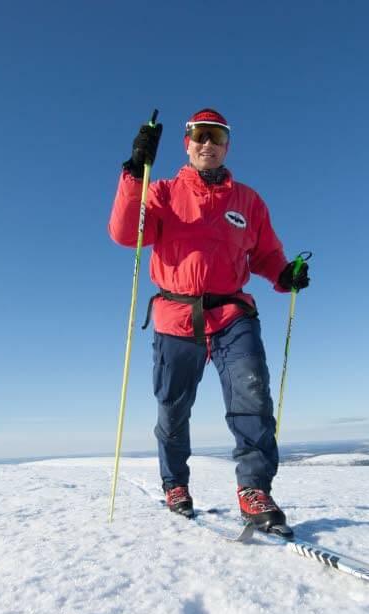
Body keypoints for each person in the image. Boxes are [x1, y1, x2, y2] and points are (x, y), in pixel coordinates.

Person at [108, 108, 310, 536]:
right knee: (173, 409)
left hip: (232, 313)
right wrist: (133, 171)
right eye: (200, 135)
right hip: (175, 316)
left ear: (227, 145)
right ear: (187, 143)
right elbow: (127, 234)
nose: (208, 144)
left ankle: (254, 490)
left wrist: (284, 275)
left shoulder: (248, 201)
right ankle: (175, 484)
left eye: (216, 137)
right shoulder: (160, 192)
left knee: (252, 396)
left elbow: (267, 256)